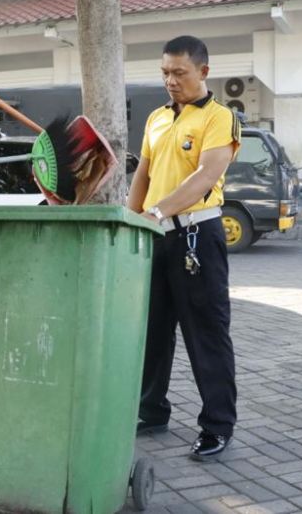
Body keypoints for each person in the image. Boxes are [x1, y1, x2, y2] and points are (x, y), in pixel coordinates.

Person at [127, 35, 240, 462]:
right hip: (155, 238)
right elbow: (144, 173)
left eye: (179, 72)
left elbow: (205, 177)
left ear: (203, 72)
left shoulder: (220, 117)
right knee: (151, 331)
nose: (170, 81)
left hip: (196, 237)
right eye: (165, 73)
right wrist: (130, 219)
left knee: (206, 333)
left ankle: (217, 425)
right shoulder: (156, 118)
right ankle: (151, 410)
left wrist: (156, 212)